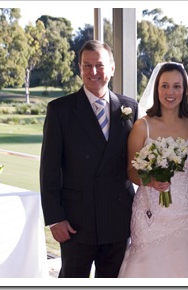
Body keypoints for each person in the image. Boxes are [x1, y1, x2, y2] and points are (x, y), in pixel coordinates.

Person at [39, 40, 138, 278]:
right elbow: (49, 170)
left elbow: (136, 162)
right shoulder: (60, 110)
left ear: (112, 68)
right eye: (87, 65)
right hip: (75, 222)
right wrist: (55, 218)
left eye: (100, 65)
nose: (94, 72)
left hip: (117, 218)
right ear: (80, 68)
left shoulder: (130, 107)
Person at [118, 62, 188, 278]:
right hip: (150, 212)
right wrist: (150, 180)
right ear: (157, 88)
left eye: (177, 86)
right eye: (165, 86)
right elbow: (130, 170)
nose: (170, 92)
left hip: (186, 211)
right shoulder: (143, 126)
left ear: (185, 90)